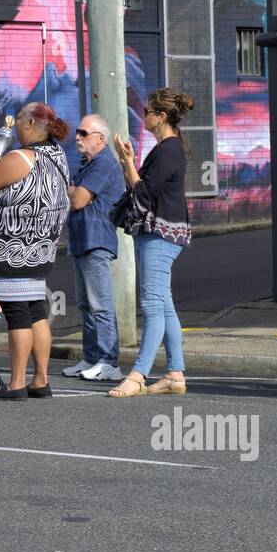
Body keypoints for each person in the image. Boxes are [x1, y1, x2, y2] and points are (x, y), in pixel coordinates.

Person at [0, 102, 70, 399]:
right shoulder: (56, 155)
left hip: (13, 247)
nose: (13, 124)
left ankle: (15, 384)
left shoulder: (20, 157)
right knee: (36, 311)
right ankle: (40, 379)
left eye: (20, 119)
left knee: (17, 314)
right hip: (41, 247)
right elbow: (15, 176)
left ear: (28, 125)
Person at [107, 88, 194, 397]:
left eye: (147, 111)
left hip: (160, 235)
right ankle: (175, 373)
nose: (143, 115)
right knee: (164, 304)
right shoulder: (166, 148)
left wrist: (128, 161)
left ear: (161, 116)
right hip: (160, 234)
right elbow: (140, 187)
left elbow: (143, 194)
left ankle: (139, 373)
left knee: (153, 305)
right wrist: (126, 160)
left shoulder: (168, 150)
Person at [62, 113, 126, 381]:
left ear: (100, 138)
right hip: (81, 240)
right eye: (77, 132)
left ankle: (109, 362)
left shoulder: (103, 164)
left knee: (101, 305)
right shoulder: (88, 163)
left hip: (96, 241)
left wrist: (73, 191)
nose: (77, 137)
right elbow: (74, 194)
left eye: (83, 133)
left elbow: (76, 200)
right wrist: (73, 191)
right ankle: (90, 358)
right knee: (86, 306)